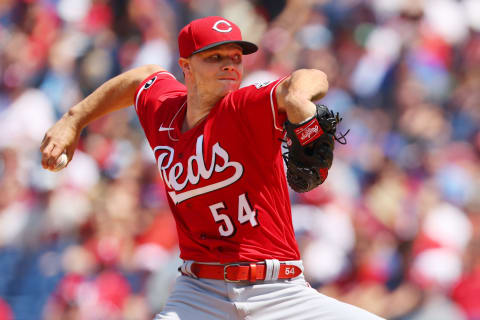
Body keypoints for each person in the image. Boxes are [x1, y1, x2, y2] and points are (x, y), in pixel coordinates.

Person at [41, 16, 384, 320]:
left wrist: (297, 101)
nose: (229, 66)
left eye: (236, 58)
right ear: (186, 67)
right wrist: (75, 119)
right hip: (198, 293)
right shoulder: (163, 110)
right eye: (214, 57)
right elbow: (140, 79)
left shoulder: (243, 107)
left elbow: (309, 77)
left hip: (276, 291)